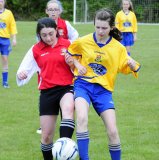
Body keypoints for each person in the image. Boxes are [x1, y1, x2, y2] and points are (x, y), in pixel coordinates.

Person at [66, 8, 141, 160]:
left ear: (112, 27)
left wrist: (133, 66)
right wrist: (77, 64)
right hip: (83, 85)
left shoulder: (118, 48)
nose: (100, 31)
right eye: (98, 27)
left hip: (104, 90)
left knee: (113, 131)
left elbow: (125, 66)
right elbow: (69, 53)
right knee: (81, 118)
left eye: (104, 28)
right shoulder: (83, 41)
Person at [16, 17, 75, 160]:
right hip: (47, 92)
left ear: (56, 31)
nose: (48, 38)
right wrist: (21, 74)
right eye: (44, 35)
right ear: (39, 35)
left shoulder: (69, 44)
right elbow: (23, 69)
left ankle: (64, 151)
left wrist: (72, 63)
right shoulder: (36, 49)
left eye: (51, 33)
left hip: (67, 87)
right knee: (47, 136)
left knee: (67, 111)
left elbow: (81, 66)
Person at [36, 0, 79, 135]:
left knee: (67, 107)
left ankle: (65, 126)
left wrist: (67, 49)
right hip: (48, 64)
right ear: (46, 11)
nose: (53, 12)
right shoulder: (42, 26)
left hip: (64, 62)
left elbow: (76, 39)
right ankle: (46, 124)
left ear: (59, 11)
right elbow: (38, 47)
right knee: (47, 93)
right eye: (51, 9)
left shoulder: (65, 24)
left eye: (56, 9)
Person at [0, 0, 17, 88]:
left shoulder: (8, 13)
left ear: (4, 2)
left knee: (5, 60)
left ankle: (5, 82)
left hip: (5, 40)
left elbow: (12, 25)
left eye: (2, 0)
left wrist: (14, 38)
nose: (0, 2)